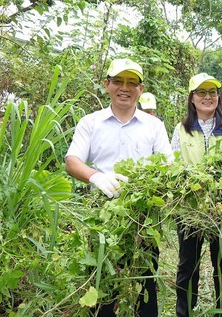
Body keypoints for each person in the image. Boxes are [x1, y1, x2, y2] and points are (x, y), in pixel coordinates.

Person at [65, 58, 173, 317]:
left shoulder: (153, 126)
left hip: (144, 215)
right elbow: (72, 160)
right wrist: (96, 177)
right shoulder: (91, 123)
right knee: (104, 280)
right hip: (103, 214)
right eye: (118, 81)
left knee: (145, 279)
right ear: (107, 85)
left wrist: (147, 185)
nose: (125, 88)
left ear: (141, 88)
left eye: (132, 82)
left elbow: (168, 165)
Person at [172, 73, 222, 317]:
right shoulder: (181, 130)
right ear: (192, 98)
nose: (207, 97)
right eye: (201, 93)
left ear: (219, 97)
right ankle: (185, 312)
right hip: (189, 210)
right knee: (187, 265)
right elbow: (173, 166)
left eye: (212, 93)